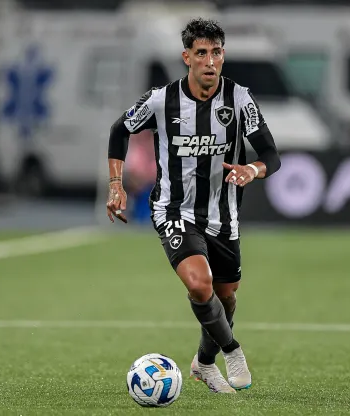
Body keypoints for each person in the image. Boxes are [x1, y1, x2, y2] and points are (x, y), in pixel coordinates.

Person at [105, 18, 281, 394]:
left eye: (216, 52)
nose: (209, 60)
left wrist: (252, 169)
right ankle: (232, 352)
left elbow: (270, 154)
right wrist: (116, 184)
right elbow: (119, 130)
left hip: (224, 215)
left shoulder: (239, 99)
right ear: (187, 57)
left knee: (226, 296)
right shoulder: (161, 100)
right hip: (172, 210)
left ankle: (203, 363)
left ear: (223, 55)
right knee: (200, 285)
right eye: (201, 53)